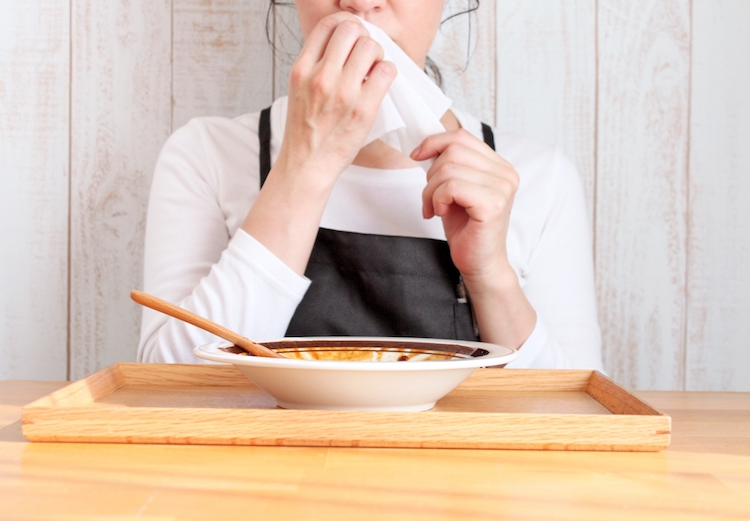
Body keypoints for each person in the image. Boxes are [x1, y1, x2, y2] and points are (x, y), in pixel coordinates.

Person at [137, 0, 603, 371]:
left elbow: (575, 419)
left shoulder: (538, 177)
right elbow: (167, 389)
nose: (359, 3)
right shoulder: (207, 155)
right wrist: (304, 167)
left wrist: (490, 275)